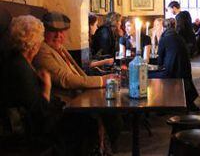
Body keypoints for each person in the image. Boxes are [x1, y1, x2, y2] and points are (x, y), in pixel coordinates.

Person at [1, 15, 98, 155]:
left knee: (87, 120)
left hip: (39, 120)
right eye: (41, 36)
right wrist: (46, 87)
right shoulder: (20, 68)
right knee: (86, 124)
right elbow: (39, 114)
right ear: (34, 43)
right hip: (33, 131)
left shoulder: (20, 61)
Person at [33, 12, 115, 92]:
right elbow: (65, 79)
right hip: (67, 102)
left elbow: (77, 72)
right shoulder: (42, 50)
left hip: (80, 94)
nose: (58, 35)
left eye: (61, 31)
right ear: (44, 32)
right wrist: (101, 81)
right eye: (53, 31)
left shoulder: (58, 47)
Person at [150, 18, 199, 112]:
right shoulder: (179, 37)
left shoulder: (164, 39)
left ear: (164, 28)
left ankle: (158, 104)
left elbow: (160, 62)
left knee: (149, 76)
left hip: (171, 73)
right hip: (184, 72)